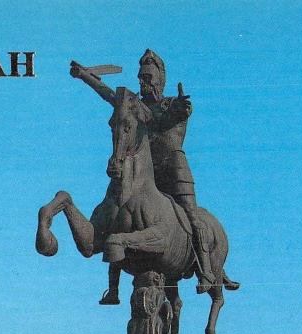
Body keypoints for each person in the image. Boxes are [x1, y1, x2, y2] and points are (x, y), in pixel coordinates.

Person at [70, 49, 223, 303]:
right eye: (141, 78)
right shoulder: (137, 107)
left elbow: (172, 116)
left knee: (192, 217)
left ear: (160, 79)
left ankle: (206, 272)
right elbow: (110, 95)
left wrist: (183, 109)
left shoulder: (171, 104)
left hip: (174, 170)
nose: (143, 83)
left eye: (148, 78)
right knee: (120, 211)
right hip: (145, 172)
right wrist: (85, 76)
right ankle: (113, 288)